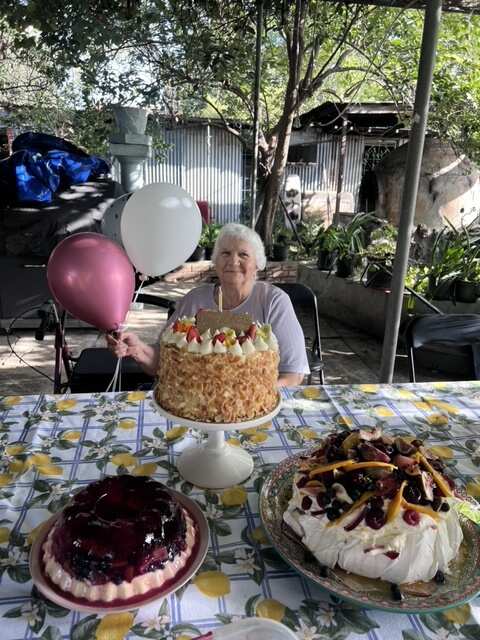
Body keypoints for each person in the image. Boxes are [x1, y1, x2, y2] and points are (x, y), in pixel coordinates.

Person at [107, 223, 309, 386]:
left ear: (258, 264)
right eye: (225, 253)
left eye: (243, 255)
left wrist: (254, 398)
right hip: (196, 404)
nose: (233, 261)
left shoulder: (274, 301)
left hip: (252, 411)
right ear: (215, 262)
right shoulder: (195, 299)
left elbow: (294, 374)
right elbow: (163, 362)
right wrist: (138, 350)